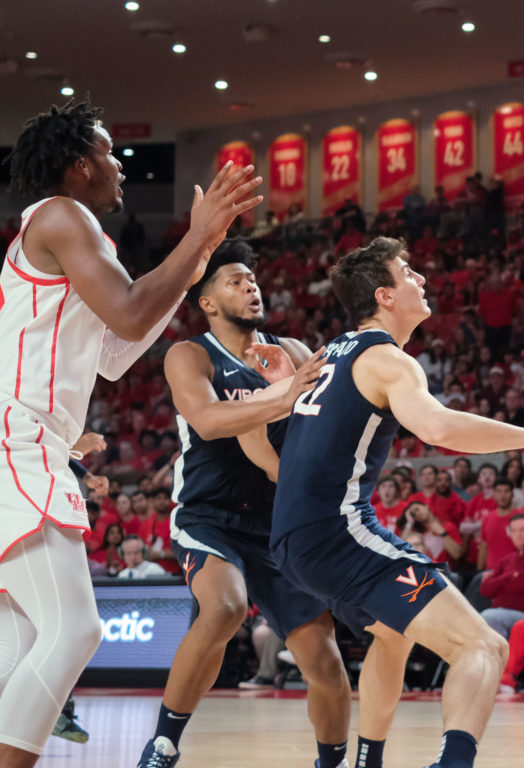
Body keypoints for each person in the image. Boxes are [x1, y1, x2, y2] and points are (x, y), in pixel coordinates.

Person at [246, 237, 524, 768]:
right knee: (484, 648)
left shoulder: (335, 350)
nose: (422, 280)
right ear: (385, 296)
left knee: (391, 635)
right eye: (409, 273)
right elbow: (437, 427)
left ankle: (365, 762)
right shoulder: (388, 359)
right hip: (337, 532)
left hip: (293, 538)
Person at [0, 100, 259, 767]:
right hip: (17, 442)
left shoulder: (73, 235)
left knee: (20, 641)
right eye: (113, 152)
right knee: (75, 630)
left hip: (34, 440)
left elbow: (116, 351)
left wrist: (197, 251)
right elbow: (130, 307)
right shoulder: (64, 216)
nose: (122, 166)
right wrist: (197, 239)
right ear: (80, 165)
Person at [136, 238, 351, 768]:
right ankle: (163, 745)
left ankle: (334, 762)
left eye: (252, 280)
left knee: (324, 661)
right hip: (209, 516)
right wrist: (282, 395)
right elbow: (209, 422)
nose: (250, 286)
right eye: (235, 280)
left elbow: (323, 432)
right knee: (226, 606)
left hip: (280, 521)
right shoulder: (189, 355)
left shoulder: (295, 353)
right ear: (207, 301)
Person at [478, 514, 524, 639]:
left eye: (523, 530)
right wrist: (511, 576)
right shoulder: (506, 560)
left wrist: (499, 583)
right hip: (500, 611)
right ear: (509, 533)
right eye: (514, 531)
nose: (519, 534)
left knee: (488, 617)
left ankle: (501, 658)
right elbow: (485, 589)